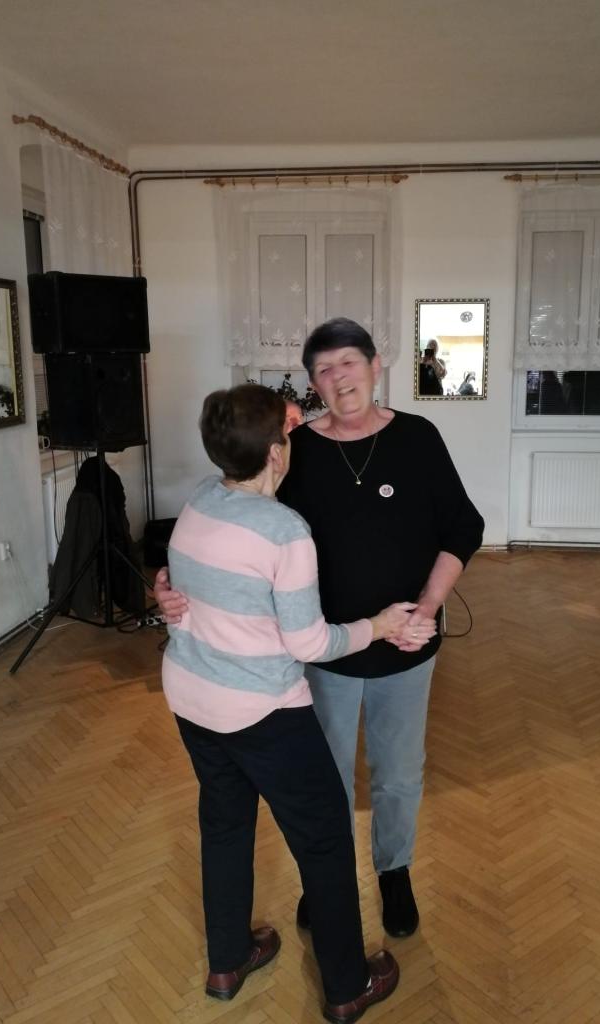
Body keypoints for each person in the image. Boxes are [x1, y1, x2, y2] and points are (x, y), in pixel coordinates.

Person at [157, 318, 484, 940]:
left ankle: (394, 872)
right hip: (321, 652)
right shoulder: (294, 449)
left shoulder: (418, 438)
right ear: (313, 385)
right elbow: (233, 529)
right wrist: (173, 585)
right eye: (324, 370)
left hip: (405, 642)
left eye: (348, 363)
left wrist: (427, 608)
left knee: (398, 773)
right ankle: (324, 881)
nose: (339, 378)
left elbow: (462, 528)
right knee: (325, 776)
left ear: (375, 366)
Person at [162, 384, 435, 1020]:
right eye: (286, 433)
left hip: (192, 700)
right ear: (276, 454)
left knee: (224, 825)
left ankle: (228, 959)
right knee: (325, 841)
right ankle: (347, 987)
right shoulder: (285, 532)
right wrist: (378, 626)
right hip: (263, 713)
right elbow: (310, 643)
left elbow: (192, 582)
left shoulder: (200, 499)